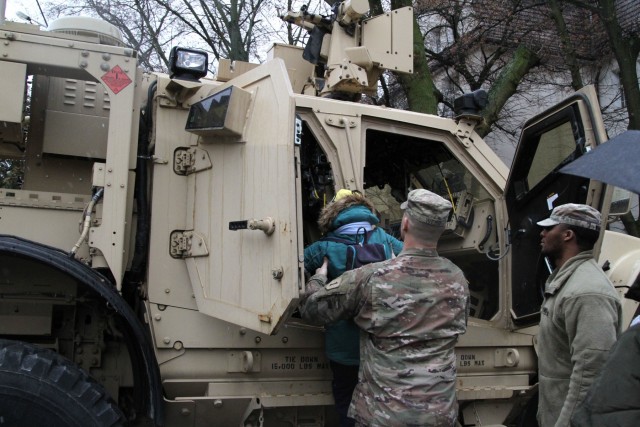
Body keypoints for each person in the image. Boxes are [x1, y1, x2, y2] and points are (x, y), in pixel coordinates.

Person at [300, 189, 469, 426]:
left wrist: (318, 278)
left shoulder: (370, 278)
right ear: (442, 229)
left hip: (386, 415)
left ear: (405, 223)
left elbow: (310, 310)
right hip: (441, 414)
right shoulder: (458, 278)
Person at [304, 189, 403, 427]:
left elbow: (294, 265)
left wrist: (318, 278)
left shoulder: (325, 246)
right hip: (381, 343)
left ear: (334, 213)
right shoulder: (385, 240)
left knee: (347, 405)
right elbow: (414, 263)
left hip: (343, 348)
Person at [536, 203, 622, 427]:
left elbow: (590, 374)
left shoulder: (586, 292)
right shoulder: (568, 281)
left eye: (550, 228)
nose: (542, 233)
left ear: (567, 235)